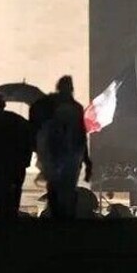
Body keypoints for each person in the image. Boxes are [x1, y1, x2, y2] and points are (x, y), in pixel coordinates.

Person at [43, 76, 91, 220]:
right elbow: (81, 135)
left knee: (58, 188)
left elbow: (80, 134)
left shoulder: (53, 107)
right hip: (68, 155)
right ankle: (65, 216)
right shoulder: (74, 108)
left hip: (61, 155)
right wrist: (87, 160)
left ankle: (61, 215)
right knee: (65, 189)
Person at [0, 96, 33, 218]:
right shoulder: (16, 119)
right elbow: (28, 136)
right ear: (4, 105)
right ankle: (12, 210)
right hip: (14, 160)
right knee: (14, 187)